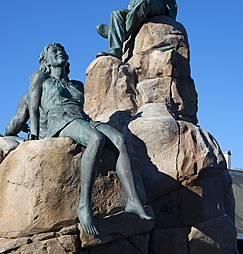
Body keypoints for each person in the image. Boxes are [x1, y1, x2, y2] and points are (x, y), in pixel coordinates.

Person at [27, 43, 153, 235]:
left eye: (62, 50)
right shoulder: (42, 79)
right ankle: (84, 205)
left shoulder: (77, 85)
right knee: (95, 139)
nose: (60, 52)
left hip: (83, 119)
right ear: (46, 61)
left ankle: (133, 201)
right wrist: (34, 135)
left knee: (120, 140)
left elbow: (82, 113)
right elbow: (33, 108)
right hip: (60, 120)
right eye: (54, 52)